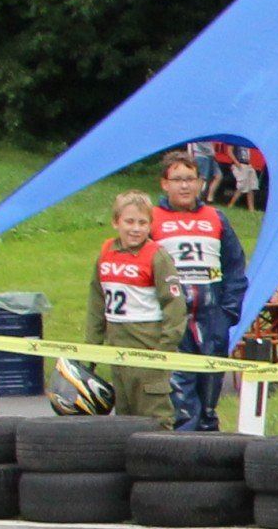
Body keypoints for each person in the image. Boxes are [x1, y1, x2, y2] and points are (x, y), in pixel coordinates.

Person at [148, 150, 245, 430]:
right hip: (173, 317)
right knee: (182, 395)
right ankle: (184, 451)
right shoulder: (151, 219)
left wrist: (229, 311)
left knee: (210, 396)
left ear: (200, 183)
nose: (185, 185)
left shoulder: (216, 217)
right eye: (177, 179)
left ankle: (210, 450)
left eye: (190, 179)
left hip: (213, 315)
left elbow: (235, 266)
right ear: (164, 183)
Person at [82, 191, 187, 420]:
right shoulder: (106, 252)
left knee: (155, 418)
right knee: (124, 418)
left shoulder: (157, 257)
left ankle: (160, 456)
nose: (136, 229)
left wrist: (164, 350)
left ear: (151, 225)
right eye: (129, 221)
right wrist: (90, 351)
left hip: (149, 352)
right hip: (118, 353)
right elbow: (97, 302)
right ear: (115, 222)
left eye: (143, 223)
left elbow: (175, 306)